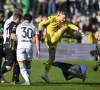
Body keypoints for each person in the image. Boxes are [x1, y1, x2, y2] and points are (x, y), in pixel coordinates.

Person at [38, 11, 84, 83]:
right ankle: (74, 35)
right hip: (51, 39)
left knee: (52, 58)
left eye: (65, 18)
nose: (64, 20)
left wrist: (79, 29)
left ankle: (45, 74)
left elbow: (71, 25)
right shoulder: (52, 18)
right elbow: (41, 23)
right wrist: (40, 33)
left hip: (54, 42)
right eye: (63, 18)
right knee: (66, 26)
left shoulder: (64, 21)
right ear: (59, 15)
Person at [16, 14, 40, 85]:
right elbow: (37, 39)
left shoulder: (19, 26)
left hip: (21, 46)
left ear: (23, 19)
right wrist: (38, 51)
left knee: (21, 63)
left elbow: (17, 37)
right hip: (29, 46)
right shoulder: (34, 27)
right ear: (31, 20)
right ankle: (28, 79)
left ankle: (27, 81)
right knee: (28, 64)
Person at [1, 13, 22, 84]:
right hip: (10, 47)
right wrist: (22, 40)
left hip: (8, 46)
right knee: (8, 67)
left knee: (18, 62)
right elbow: (13, 36)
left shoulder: (8, 23)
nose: (20, 21)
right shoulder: (13, 24)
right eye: (20, 19)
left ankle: (15, 80)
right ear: (18, 19)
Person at [0, 9, 6, 83]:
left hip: (4, 46)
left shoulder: (5, 24)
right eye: (1, 16)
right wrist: (2, 36)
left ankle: (1, 74)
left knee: (9, 61)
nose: (2, 18)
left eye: (3, 16)